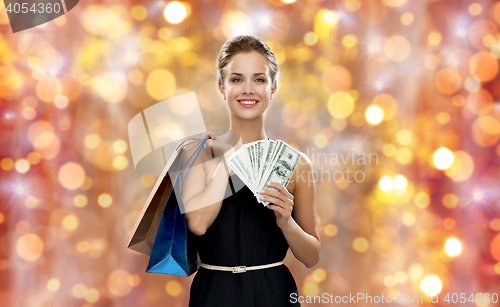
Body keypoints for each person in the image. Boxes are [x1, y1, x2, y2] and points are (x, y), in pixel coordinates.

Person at [180, 35, 320, 307]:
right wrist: (226, 160)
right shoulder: (198, 153)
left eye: (259, 79)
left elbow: (311, 256)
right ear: (221, 87)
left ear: (273, 87)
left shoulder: (296, 163)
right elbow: (197, 225)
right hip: (214, 294)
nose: (248, 89)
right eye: (236, 79)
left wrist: (286, 222)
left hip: (273, 293)